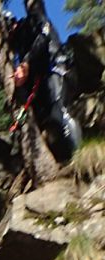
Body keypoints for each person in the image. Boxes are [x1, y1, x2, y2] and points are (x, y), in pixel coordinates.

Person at [7, 9, 82, 161]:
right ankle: (65, 158)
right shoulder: (19, 45)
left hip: (58, 69)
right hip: (44, 82)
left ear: (11, 24)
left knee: (60, 112)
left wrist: (26, 64)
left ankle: (80, 158)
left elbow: (43, 39)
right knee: (49, 122)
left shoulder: (31, 22)